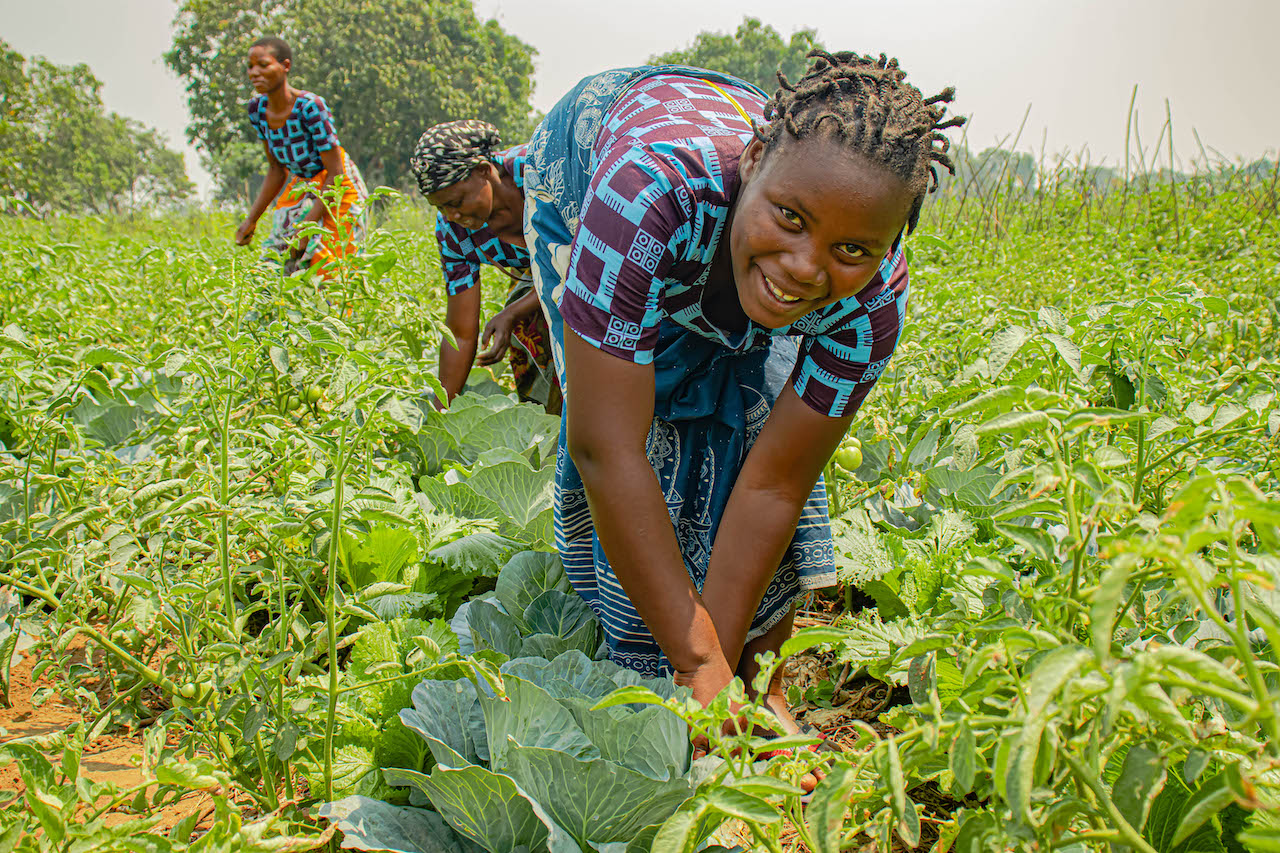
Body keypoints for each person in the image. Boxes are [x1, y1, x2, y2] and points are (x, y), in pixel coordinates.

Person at [522, 52, 962, 755]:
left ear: (887, 248)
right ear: (756, 159)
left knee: (757, 407)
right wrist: (697, 665)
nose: (805, 266)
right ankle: (648, 659)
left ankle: (762, 678)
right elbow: (607, 448)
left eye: (852, 249)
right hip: (589, 173)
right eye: (789, 218)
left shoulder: (871, 306)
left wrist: (719, 676)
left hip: (714, 197)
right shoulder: (645, 197)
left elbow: (777, 483)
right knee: (650, 419)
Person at [410, 121, 560, 412]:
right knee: (528, 335)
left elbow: (580, 261)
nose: (451, 215)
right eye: (440, 207)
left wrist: (512, 313)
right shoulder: (453, 233)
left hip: (593, 262)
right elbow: (461, 332)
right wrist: (441, 413)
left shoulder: (539, 172)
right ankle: (552, 423)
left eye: (456, 202)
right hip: (537, 275)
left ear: (483, 170)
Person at [235, 37, 368, 277]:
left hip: (337, 185)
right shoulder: (257, 110)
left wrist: (307, 228)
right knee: (277, 262)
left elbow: (336, 173)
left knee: (333, 267)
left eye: (263, 65)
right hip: (302, 185)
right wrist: (251, 220)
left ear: (285, 66)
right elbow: (277, 170)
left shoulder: (310, 107)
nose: (254, 72)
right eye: (250, 66)